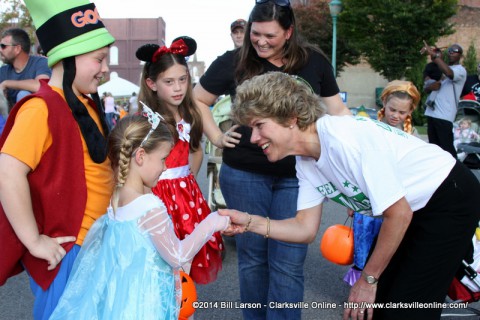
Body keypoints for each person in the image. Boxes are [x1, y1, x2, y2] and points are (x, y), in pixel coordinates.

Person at [220, 71, 480, 320]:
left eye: (259, 126)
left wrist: (368, 280)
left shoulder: (343, 139)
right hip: (411, 208)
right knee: (381, 306)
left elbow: (398, 214)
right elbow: (304, 228)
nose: (253, 138)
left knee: (407, 308)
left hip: (449, 197)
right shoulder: (305, 161)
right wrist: (249, 222)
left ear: (290, 117)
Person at [193, 1, 349, 318]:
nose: (261, 42)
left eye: (271, 35)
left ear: (289, 32)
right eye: (256, 34)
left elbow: (339, 113)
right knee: (253, 258)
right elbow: (197, 98)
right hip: (245, 173)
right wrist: (216, 136)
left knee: (289, 261)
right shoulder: (234, 62)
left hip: (299, 175)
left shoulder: (313, 61)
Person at [49, 111, 230, 319]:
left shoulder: (118, 197)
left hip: (123, 299)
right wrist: (212, 222)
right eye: (163, 159)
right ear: (141, 156)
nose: (164, 168)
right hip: (148, 302)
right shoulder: (149, 206)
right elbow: (177, 255)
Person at [0, 0, 115, 319]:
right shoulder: (41, 108)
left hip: (94, 243)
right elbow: (7, 173)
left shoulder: (83, 102)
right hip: (69, 252)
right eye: (100, 59)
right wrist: (34, 241)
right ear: (68, 57)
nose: (106, 69)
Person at [136, 37, 236, 285]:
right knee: (158, 261)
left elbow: (196, 150)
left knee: (186, 263)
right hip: (155, 196)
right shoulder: (147, 120)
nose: (178, 87)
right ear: (152, 83)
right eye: (169, 82)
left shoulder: (190, 114)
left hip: (186, 196)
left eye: (183, 79)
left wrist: (185, 181)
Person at [344, 80, 422, 286]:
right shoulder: (370, 129)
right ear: (384, 104)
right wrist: (351, 201)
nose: (396, 115)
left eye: (402, 112)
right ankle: (360, 289)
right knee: (364, 244)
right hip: (368, 200)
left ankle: (382, 288)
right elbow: (357, 167)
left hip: (395, 200)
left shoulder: (413, 137)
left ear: (410, 112)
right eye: (392, 109)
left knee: (389, 246)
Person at [422, 43, 467, 158]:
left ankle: (456, 173)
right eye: (450, 50)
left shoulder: (460, 70)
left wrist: (434, 55)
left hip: (444, 115)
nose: (451, 52)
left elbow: (449, 73)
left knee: (447, 150)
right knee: (434, 148)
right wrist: (429, 87)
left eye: (455, 51)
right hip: (432, 112)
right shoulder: (443, 69)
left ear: (460, 56)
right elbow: (428, 87)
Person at [0, 28, 51, 112]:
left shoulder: (40, 62)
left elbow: (40, 85)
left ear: (17, 49)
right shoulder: (3, 71)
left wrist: (6, 83)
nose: (0, 50)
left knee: (23, 95)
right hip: (12, 119)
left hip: (38, 116)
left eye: (3, 46)